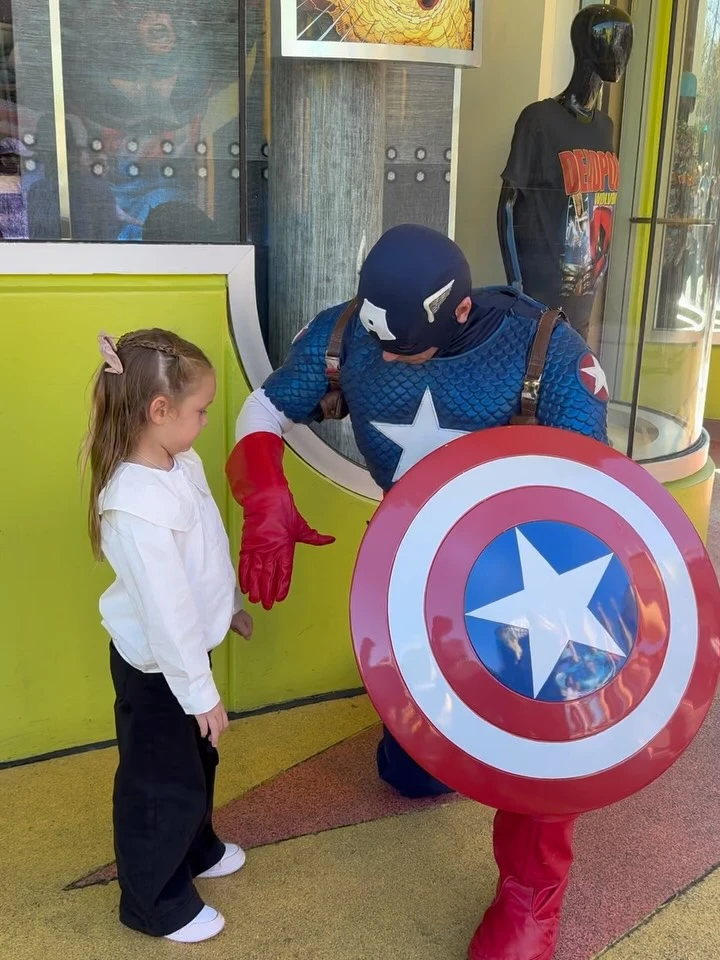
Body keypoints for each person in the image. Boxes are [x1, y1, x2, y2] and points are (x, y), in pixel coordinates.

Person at [225, 224, 608, 960]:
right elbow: (264, 407)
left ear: (459, 313)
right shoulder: (350, 333)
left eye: (409, 347)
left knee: (545, 716)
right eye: (383, 345)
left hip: (525, 563)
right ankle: (423, 745)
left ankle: (531, 897)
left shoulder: (547, 353)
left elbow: (588, 494)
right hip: (413, 554)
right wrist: (262, 490)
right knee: (405, 692)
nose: (390, 359)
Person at [84, 328, 253, 943]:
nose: (206, 421)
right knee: (161, 781)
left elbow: (208, 545)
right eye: (200, 410)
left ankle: (196, 846)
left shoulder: (184, 464)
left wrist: (228, 604)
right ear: (160, 412)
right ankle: (155, 902)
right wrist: (198, 690)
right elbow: (165, 609)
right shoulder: (133, 504)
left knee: (198, 761)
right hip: (159, 669)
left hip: (188, 658)